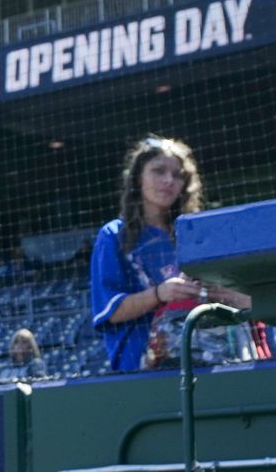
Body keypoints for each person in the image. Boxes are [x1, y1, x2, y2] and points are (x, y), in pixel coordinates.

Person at [90, 136, 251, 371]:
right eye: (158, 171)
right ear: (137, 177)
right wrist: (160, 293)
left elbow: (246, 301)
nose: (169, 181)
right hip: (146, 370)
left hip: (214, 358)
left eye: (177, 175)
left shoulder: (198, 233)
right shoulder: (114, 235)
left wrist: (227, 294)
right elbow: (109, 312)